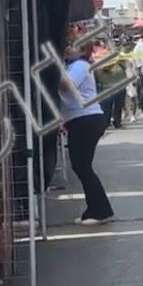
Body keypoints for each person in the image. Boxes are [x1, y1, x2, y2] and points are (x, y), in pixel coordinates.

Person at [59, 43, 114, 225]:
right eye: (67, 45)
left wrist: (51, 73)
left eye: (73, 47)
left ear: (83, 51)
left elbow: (67, 86)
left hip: (86, 119)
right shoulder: (70, 66)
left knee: (82, 166)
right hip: (79, 120)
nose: (67, 48)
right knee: (81, 167)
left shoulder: (80, 66)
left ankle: (99, 211)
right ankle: (95, 209)